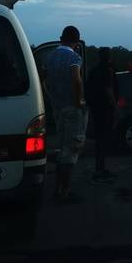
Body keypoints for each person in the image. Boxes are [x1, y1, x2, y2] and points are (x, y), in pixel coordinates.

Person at [44, 25, 87, 204]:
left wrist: (51, 98)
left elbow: (44, 80)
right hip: (71, 108)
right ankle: (64, 192)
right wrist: (80, 101)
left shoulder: (50, 57)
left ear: (61, 38)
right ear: (76, 41)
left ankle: (58, 189)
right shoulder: (74, 57)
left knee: (62, 149)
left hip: (58, 108)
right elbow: (76, 79)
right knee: (72, 149)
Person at [87, 47, 119, 183]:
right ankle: (99, 171)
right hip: (105, 109)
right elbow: (108, 90)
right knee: (103, 140)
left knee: (100, 140)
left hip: (96, 109)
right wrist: (115, 107)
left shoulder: (93, 71)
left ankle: (100, 168)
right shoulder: (107, 71)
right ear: (109, 57)